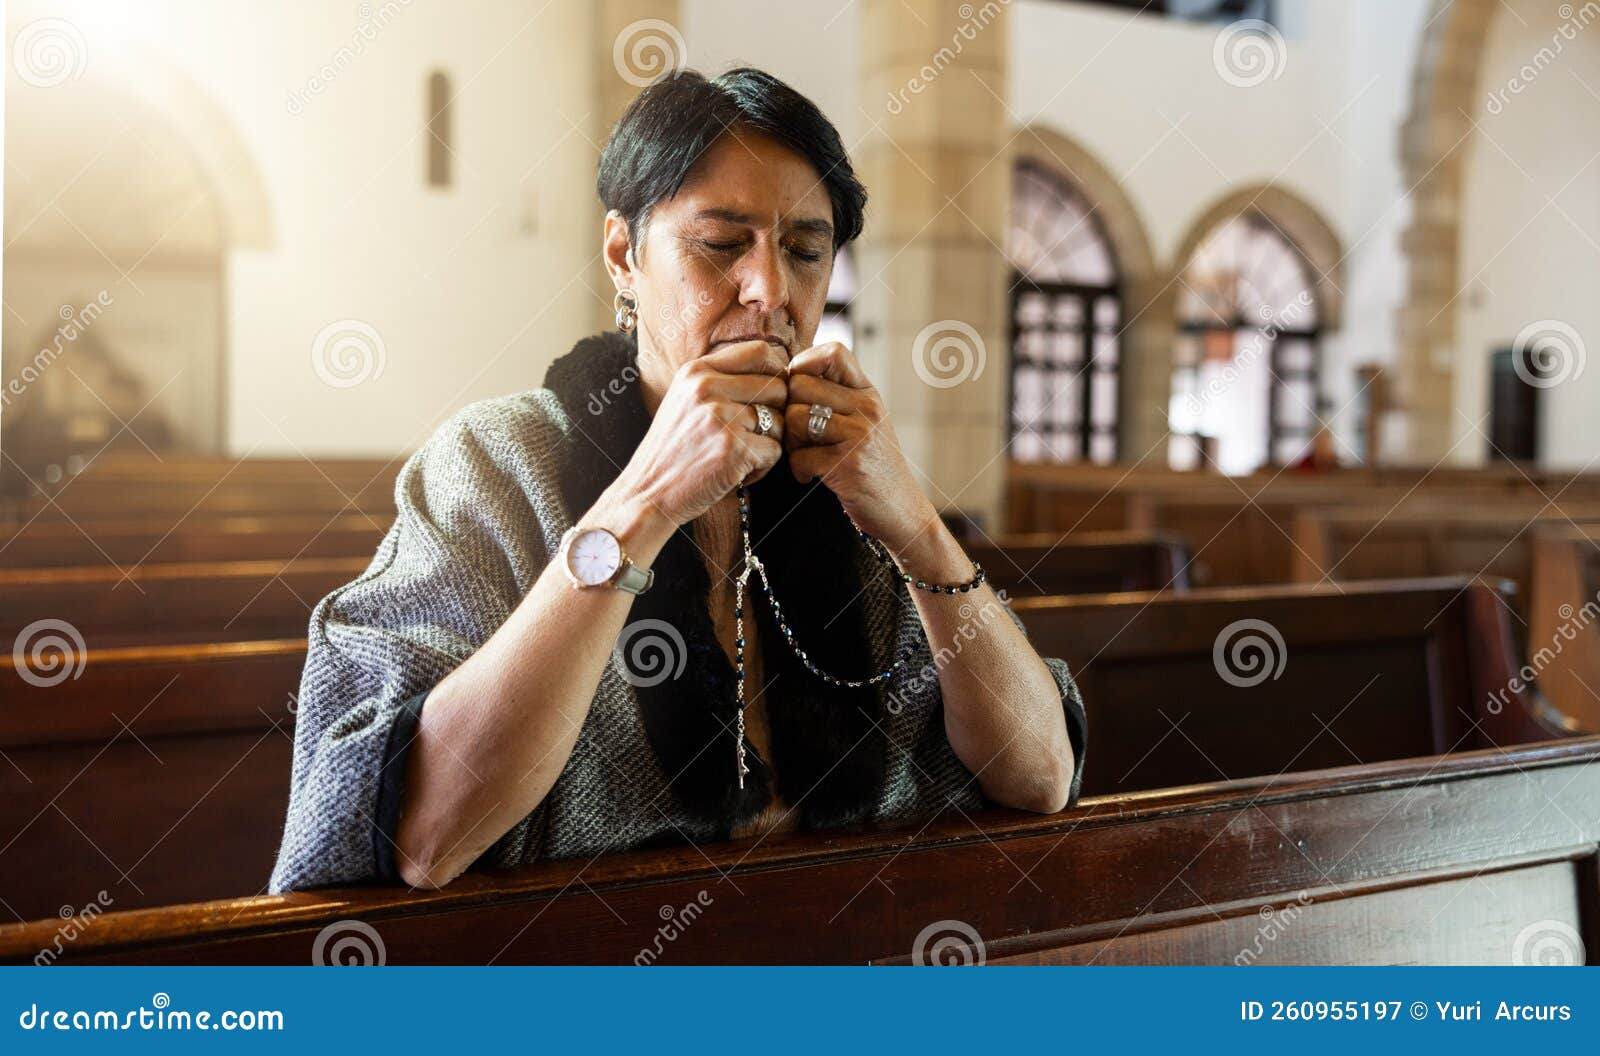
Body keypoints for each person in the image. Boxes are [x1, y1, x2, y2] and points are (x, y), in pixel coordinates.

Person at [269, 67, 1087, 894]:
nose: (771, 290)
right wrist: (647, 499)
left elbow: (1042, 778)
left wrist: (914, 523)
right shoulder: (497, 460)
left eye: (805, 251)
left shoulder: (845, 480)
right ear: (624, 255)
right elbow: (420, 838)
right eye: (721, 245)